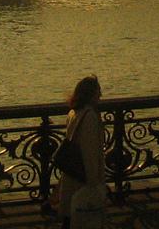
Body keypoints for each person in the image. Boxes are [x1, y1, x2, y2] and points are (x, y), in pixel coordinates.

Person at [56, 75, 106, 229]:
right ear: (91, 94)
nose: (101, 95)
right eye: (98, 92)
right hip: (82, 178)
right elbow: (89, 152)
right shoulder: (90, 116)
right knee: (84, 216)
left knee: (69, 217)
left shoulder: (73, 112)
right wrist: (94, 183)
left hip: (71, 174)